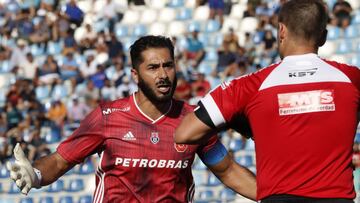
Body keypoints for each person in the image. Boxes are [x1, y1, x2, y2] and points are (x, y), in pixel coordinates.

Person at [6, 35, 256, 202]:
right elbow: (60, 162)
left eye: (168, 65)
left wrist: (277, 195)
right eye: (153, 68)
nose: (163, 75)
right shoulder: (107, 117)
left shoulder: (194, 120)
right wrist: (36, 175)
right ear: (135, 75)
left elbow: (229, 171)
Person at [175, 0, 360, 202]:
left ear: (281, 30)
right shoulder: (352, 79)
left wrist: (242, 126)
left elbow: (185, 133)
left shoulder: (250, 86)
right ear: (323, 37)